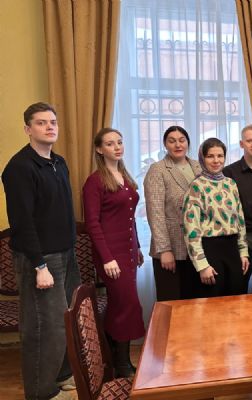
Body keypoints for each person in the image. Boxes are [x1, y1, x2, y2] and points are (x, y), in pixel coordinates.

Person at [2, 102, 81, 400]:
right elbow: (22, 222)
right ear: (28, 129)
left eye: (53, 122)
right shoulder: (19, 168)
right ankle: (41, 393)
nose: (49, 127)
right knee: (44, 329)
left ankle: (61, 376)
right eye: (41, 122)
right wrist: (39, 266)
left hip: (65, 254)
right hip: (40, 259)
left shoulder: (58, 162)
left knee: (65, 322)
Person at [82, 128, 145, 378]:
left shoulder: (124, 176)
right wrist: (107, 258)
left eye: (119, 142)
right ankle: (121, 364)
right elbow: (92, 224)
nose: (117, 147)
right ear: (99, 149)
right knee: (127, 303)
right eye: (110, 144)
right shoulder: (95, 181)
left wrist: (137, 246)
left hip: (128, 250)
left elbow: (129, 218)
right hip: (110, 252)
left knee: (120, 304)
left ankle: (113, 360)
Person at [183, 138, 249, 297]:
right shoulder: (196, 186)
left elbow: (240, 220)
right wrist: (202, 265)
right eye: (210, 156)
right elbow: (191, 228)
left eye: (220, 156)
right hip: (209, 250)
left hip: (232, 249)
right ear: (202, 158)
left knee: (236, 300)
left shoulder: (231, 184)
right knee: (212, 302)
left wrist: (243, 251)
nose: (216, 160)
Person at [144, 126, 202, 301]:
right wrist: (164, 250)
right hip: (171, 248)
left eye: (182, 140)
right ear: (165, 144)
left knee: (195, 302)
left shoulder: (198, 166)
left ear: (188, 143)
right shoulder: (158, 169)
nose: (178, 145)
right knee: (171, 302)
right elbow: (155, 213)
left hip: (197, 248)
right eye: (172, 141)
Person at [223, 124, 252, 291]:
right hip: (241, 239)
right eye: (249, 141)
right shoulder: (229, 172)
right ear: (241, 144)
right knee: (237, 288)